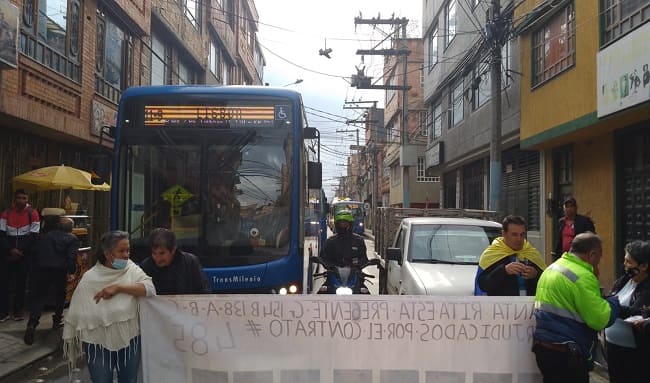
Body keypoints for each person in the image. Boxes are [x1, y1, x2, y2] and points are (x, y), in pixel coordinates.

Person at [62, 231, 156, 383]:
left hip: (129, 336)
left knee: (129, 380)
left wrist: (119, 288)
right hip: (97, 341)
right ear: (107, 254)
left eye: (128, 250)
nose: (126, 255)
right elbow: (79, 312)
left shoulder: (132, 269)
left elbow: (150, 289)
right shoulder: (90, 278)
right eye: (121, 251)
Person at [532, 232, 620, 383]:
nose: (598, 262)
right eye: (599, 258)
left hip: (543, 349)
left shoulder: (552, 268)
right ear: (592, 254)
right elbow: (600, 319)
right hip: (566, 356)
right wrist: (613, 302)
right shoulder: (582, 276)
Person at [23, 216, 78, 345]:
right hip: (59, 271)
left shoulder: (47, 236)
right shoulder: (72, 239)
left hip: (42, 269)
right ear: (71, 228)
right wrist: (71, 271)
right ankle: (57, 321)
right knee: (60, 295)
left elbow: (36, 251)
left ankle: (32, 323)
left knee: (39, 297)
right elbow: (71, 257)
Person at [604, 240, 650, 383]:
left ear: (643, 266)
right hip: (612, 347)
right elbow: (612, 298)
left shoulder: (647, 288)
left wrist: (607, 304)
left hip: (634, 352)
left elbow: (635, 311)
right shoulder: (623, 280)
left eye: (629, 262)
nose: (625, 265)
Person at [476, 215, 546, 296]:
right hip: (502, 306)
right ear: (504, 234)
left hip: (529, 305)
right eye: (514, 235)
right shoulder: (492, 253)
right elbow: (483, 285)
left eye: (522, 235)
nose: (519, 239)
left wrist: (536, 274)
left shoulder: (531, 252)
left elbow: (546, 282)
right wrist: (504, 270)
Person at [0, 189, 40, 322]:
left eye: (24, 198)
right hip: (7, 253)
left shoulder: (33, 214)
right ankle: (3, 312)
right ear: (15, 199)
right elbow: (1, 234)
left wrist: (20, 250)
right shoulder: (6, 213)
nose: (21, 200)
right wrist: (11, 249)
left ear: (27, 199)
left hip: (24, 255)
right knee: (4, 283)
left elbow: (34, 236)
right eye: (19, 198)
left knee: (21, 284)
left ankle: (18, 311)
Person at [140, 227, 210, 294]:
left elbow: (203, 291)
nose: (157, 258)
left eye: (162, 253)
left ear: (173, 250)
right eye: (154, 253)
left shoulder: (190, 262)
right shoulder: (146, 267)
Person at [552, 196, 595, 261]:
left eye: (571, 206)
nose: (569, 209)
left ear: (576, 208)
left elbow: (591, 238)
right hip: (564, 256)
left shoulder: (584, 221)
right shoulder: (561, 222)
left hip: (579, 256)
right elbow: (559, 240)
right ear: (564, 209)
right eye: (567, 206)